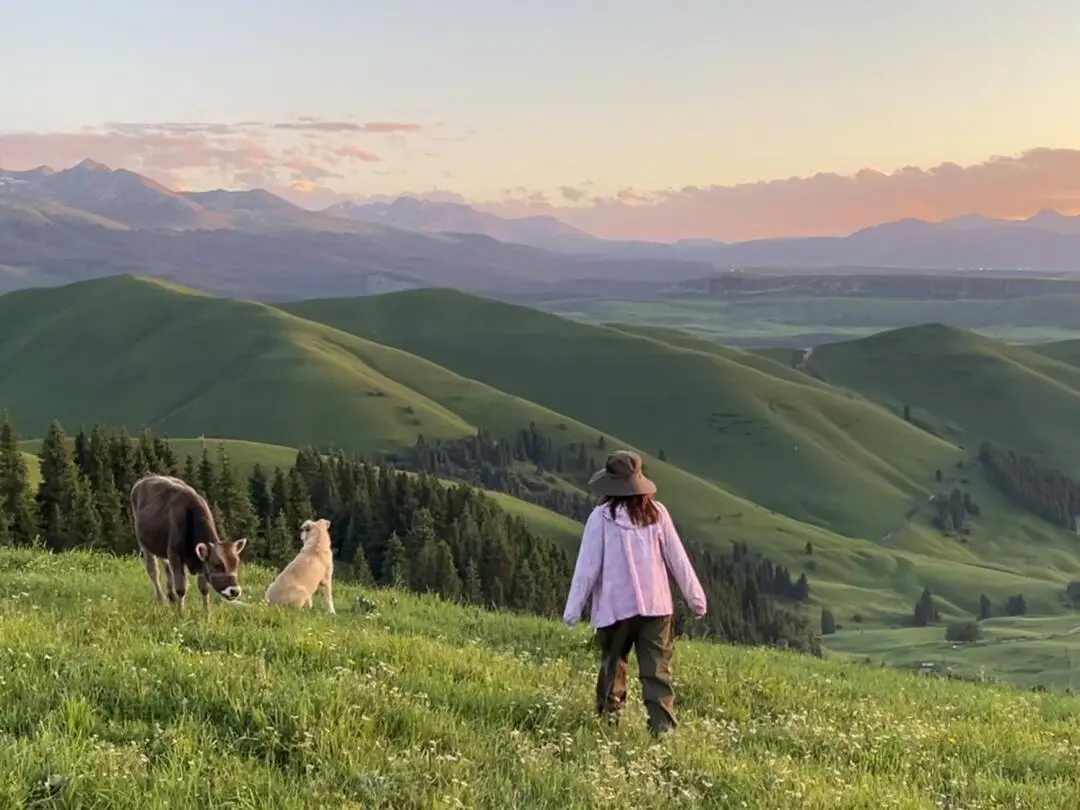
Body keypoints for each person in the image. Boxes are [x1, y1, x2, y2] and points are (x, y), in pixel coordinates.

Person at [563, 449, 707, 737]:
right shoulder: (657, 513)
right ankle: (662, 729)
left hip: (615, 608)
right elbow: (677, 559)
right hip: (656, 607)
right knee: (656, 671)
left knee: (613, 665)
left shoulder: (601, 518)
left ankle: (608, 725)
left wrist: (573, 610)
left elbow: (587, 567)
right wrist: (695, 598)